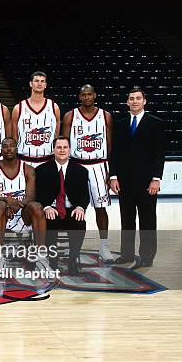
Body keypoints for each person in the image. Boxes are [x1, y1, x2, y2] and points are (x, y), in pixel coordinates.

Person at [109, 87, 165, 268]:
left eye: (138, 98)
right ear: (127, 102)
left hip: (147, 182)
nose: (134, 101)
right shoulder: (120, 123)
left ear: (144, 101)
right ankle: (126, 254)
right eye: (131, 98)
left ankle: (147, 256)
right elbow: (115, 153)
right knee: (127, 219)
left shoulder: (155, 123)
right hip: (124, 181)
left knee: (147, 219)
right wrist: (114, 176)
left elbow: (159, 153)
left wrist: (156, 178)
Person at [62, 84, 114, 261]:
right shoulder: (70, 115)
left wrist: (111, 170)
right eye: (83, 95)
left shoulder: (105, 115)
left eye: (89, 94)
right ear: (79, 96)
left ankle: (104, 246)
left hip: (99, 165)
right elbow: (64, 144)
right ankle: (73, 247)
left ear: (95, 95)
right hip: (77, 165)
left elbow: (110, 144)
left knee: (101, 208)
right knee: (74, 208)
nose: (86, 97)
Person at [0, 137, 46, 269]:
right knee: (0, 205)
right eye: (5, 146)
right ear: (0, 150)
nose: (8, 149)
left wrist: (16, 204)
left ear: (17, 148)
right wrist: (8, 201)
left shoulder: (28, 169)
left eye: (11, 146)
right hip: (1, 213)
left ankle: (41, 257)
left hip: (22, 213)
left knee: (37, 207)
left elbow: (31, 196)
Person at [36, 137, 90, 275]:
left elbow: (85, 195)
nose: (62, 150)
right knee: (49, 221)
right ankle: (52, 262)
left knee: (79, 221)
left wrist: (80, 207)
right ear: (53, 150)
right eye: (59, 147)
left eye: (65, 147)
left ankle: (72, 261)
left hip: (71, 210)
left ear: (69, 149)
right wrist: (46, 206)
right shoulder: (42, 170)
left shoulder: (80, 170)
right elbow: (39, 194)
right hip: (52, 209)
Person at [12, 71, 60, 167]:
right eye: (36, 81)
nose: (39, 83)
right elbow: (14, 137)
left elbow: (56, 135)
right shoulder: (19, 108)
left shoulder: (54, 107)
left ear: (45, 85)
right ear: (30, 84)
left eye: (42, 81)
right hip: (24, 160)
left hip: (48, 160)